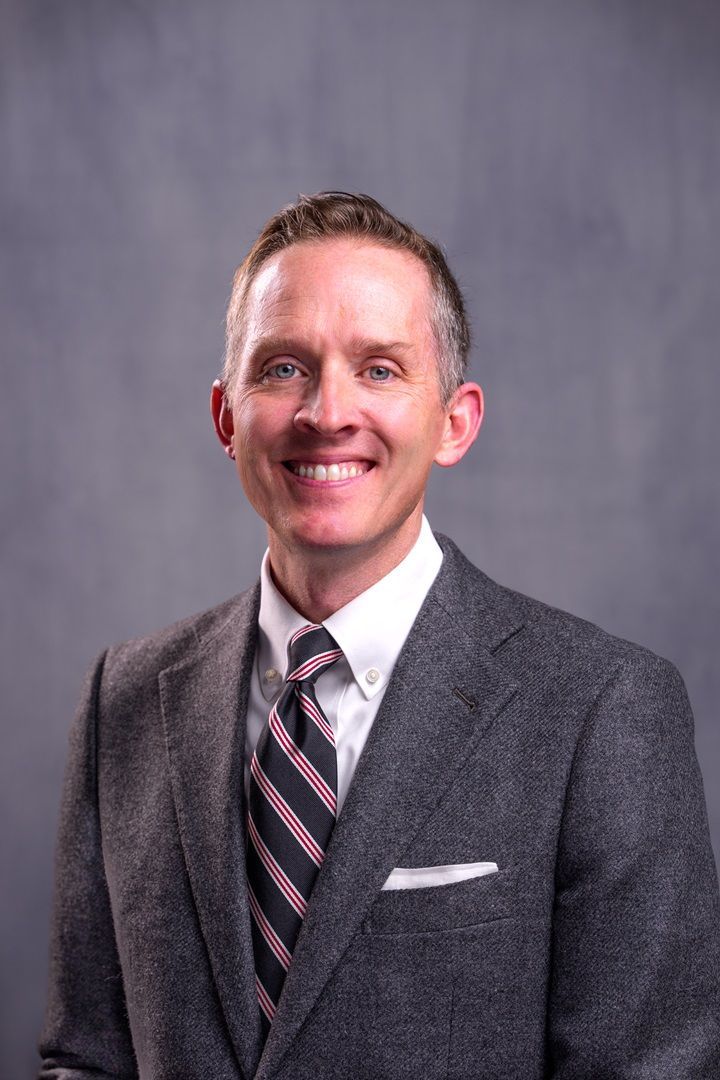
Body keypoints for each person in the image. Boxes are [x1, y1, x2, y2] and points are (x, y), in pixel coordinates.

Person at [39, 192, 720, 1079]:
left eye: (381, 369)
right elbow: (86, 1059)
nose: (327, 411)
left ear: (454, 422)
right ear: (226, 417)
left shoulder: (602, 710)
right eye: (284, 367)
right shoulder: (123, 702)